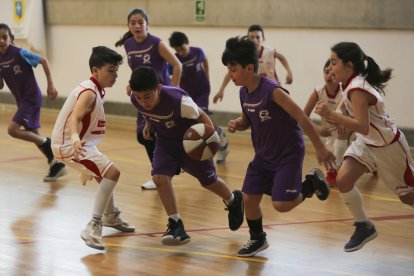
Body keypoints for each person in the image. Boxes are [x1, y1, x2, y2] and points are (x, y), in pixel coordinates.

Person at [222, 36, 335, 257]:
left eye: (233, 70)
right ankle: (258, 238)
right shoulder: (243, 91)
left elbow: (302, 117)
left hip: (287, 153)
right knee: (249, 198)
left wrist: (320, 147)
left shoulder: (273, 91)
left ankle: (312, 183)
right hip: (263, 155)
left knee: (282, 205)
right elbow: (248, 119)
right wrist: (240, 123)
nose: (230, 75)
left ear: (249, 67)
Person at [315, 42, 414, 252]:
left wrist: (332, 115)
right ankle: (364, 226)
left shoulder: (358, 88)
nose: (330, 68)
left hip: (389, 147)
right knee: (343, 180)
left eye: (334, 63)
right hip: (367, 143)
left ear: (349, 65)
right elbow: (351, 112)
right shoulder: (348, 83)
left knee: (408, 197)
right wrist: (340, 114)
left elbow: (361, 124)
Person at [128, 66, 244, 246]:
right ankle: (175, 224)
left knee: (208, 181)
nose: (143, 102)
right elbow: (149, 113)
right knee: (159, 177)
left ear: (158, 88)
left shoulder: (179, 100)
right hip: (166, 143)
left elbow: (203, 116)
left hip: (191, 142)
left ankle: (233, 200)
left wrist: (210, 141)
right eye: (139, 97)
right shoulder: (136, 100)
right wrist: (149, 124)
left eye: (147, 97)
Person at [51, 46, 135, 250]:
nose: (115, 75)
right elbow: (75, 117)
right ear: (96, 70)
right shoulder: (89, 92)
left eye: (117, 71)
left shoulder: (97, 89)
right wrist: (75, 138)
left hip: (79, 143)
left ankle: (109, 216)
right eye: (111, 70)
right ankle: (93, 224)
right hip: (69, 145)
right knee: (113, 172)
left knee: (103, 174)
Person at [115, 8, 182, 190]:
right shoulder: (128, 44)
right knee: (143, 135)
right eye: (133, 23)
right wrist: (132, 84)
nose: (137, 26)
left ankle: (160, 173)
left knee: (155, 133)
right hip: (142, 98)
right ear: (128, 26)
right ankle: (162, 171)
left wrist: (173, 90)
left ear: (147, 24)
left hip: (159, 97)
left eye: (140, 22)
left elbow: (177, 65)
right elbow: (137, 69)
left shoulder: (156, 43)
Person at [0, 23, 67, 182]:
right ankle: (57, 165)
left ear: (11, 38)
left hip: (31, 98)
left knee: (12, 129)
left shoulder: (19, 53)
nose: (1, 41)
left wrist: (50, 84)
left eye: (4, 37)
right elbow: (1, 84)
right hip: (21, 100)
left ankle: (48, 143)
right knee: (34, 135)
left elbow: (43, 61)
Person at [168, 31, 229, 164]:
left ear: (187, 43)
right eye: (177, 50)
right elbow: (168, 74)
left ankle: (220, 144)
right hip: (187, 94)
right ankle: (198, 148)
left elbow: (205, 60)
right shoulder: (175, 59)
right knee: (189, 123)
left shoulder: (197, 52)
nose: (181, 52)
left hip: (202, 90)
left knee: (201, 120)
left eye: (182, 49)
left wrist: (207, 76)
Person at [213, 24, 293, 104]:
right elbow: (231, 71)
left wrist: (289, 71)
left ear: (263, 39)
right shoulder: (244, 56)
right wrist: (221, 90)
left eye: (257, 37)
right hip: (257, 91)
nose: (255, 40)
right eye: (251, 37)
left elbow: (281, 57)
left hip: (272, 89)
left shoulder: (269, 51)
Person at [303, 59, 352, 186]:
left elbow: (356, 115)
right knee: (332, 157)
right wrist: (317, 129)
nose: (329, 75)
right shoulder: (317, 91)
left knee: (342, 136)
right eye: (326, 72)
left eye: (332, 72)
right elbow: (303, 116)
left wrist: (342, 120)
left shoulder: (345, 91)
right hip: (330, 132)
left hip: (348, 128)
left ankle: (333, 172)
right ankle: (371, 164)